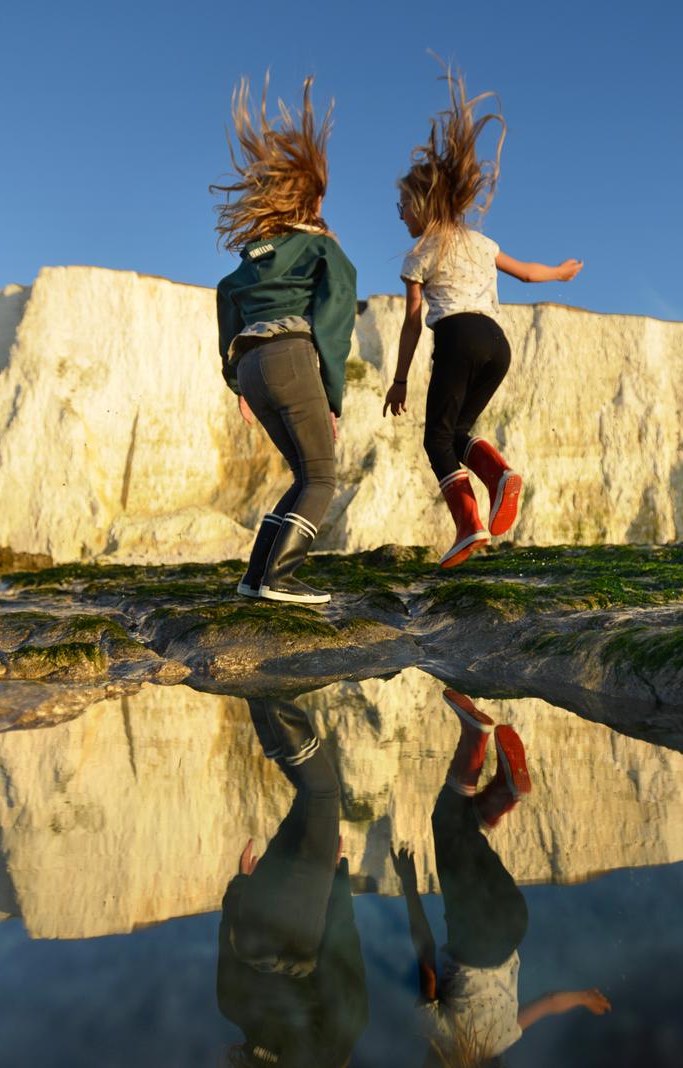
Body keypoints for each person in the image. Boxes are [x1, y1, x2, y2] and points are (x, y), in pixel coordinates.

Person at [381, 69, 583, 568]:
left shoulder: (419, 251)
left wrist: (401, 379)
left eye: (403, 204)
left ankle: (470, 526)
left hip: (458, 336)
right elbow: (529, 276)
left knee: (435, 438)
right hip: (498, 343)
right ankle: (499, 477)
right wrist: (560, 272)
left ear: (423, 205)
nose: (398, 213)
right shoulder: (480, 241)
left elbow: (412, 322)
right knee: (457, 432)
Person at [392, 689, 609, 1066]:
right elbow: (424, 952)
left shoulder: (504, 1038)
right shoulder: (441, 1037)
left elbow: (548, 1004)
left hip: (513, 923)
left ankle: (501, 795)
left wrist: (583, 998)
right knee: (445, 822)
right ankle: (475, 737)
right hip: (474, 930)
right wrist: (408, 886)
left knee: (464, 830)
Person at [213, 76, 358, 604]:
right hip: (292, 357)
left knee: (301, 473)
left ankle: (255, 576)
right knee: (321, 476)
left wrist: (237, 385)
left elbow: (226, 302)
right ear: (315, 197)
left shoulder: (249, 260)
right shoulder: (320, 250)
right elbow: (334, 324)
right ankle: (280, 577)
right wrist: (333, 398)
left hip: (251, 365)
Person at [218, 697, 367, 1067]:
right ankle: (261, 699)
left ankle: (277, 702)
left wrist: (335, 881)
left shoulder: (328, 1053)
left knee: (323, 794)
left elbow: (342, 954)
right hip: (254, 915)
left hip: (300, 930)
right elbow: (227, 941)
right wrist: (240, 887)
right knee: (305, 798)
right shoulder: (235, 1010)